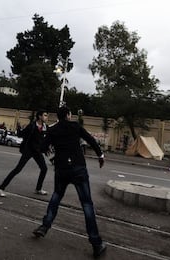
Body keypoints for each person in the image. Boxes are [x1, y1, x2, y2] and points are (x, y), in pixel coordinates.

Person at [32, 106, 106, 258]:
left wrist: (53, 153)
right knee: (86, 204)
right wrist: (100, 155)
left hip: (62, 169)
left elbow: (43, 147)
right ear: (68, 115)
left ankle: (45, 226)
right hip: (78, 168)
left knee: (57, 196)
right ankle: (96, 243)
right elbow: (90, 139)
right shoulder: (75, 126)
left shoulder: (53, 130)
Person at [0, 110, 49, 197]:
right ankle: (1, 188)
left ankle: (38, 189)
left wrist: (45, 149)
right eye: (45, 115)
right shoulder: (32, 126)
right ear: (40, 116)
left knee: (44, 168)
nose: (46, 117)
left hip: (37, 151)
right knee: (18, 169)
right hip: (28, 151)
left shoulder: (44, 127)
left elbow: (43, 140)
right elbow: (21, 134)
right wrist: (19, 128)